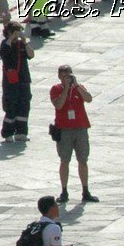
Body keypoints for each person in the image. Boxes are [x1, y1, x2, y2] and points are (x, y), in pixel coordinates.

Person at [49, 64, 96, 204]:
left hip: (81, 128)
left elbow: (89, 99)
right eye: (63, 76)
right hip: (64, 130)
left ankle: (85, 190)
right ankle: (64, 191)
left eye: (68, 76)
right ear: (59, 77)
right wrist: (66, 89)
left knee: (83, 160)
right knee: (65, 160)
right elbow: (59, 105)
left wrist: (76, 86)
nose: (66, 79)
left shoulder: (79, 87)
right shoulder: (56, 89)